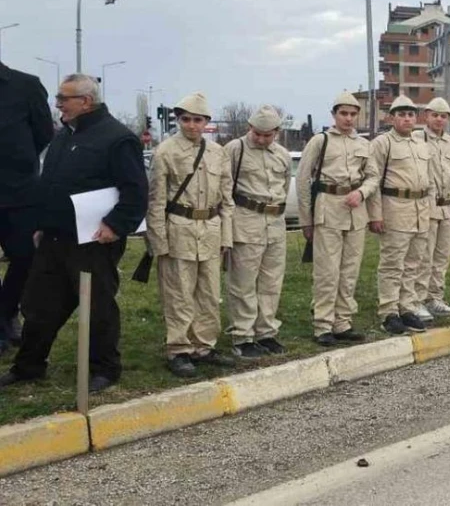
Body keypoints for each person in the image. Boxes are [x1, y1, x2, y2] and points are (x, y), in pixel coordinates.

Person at [0, 74, 145, 392]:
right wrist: (41, 222)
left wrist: (115, 226)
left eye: (63, 98)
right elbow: (50, 183)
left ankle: (104, 369)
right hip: (54, 238)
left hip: (93, 241)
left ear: (85, 101)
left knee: (97, 308)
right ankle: (29, 367)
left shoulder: (117, 139)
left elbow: (135, 192)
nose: (57, 104)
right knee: (37, 305)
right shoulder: (64, 136)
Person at [148, 92, 236, 377]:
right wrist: (158, 241)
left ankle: (204, 345)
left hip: (210, 228)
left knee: (209, 293)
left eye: (197, 120)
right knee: (179, 294)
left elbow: (227, 199)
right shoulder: (165, 152)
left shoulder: (218, 152)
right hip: (179, 229)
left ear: (206, 122)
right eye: (185, 119)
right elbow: (157, 201)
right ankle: (178, 348)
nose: (191, 125)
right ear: (178, 120)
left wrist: (226, 237)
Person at [296, 91, 373, 347]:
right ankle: (322, 324)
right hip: (327, 209)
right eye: (343, 113)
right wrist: (306, 220)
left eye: (352, 114)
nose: (348, 119)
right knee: (327, 272)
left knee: (349, 270)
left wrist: (361, 193)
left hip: (355, 212)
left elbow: (373, 177)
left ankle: (342, 322)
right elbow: (303, 180)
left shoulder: (363, 144)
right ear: (334, 115)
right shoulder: (320, 141)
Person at [225, 105, 292, 358]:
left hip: (274, 223)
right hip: (246, 220)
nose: (262, 139)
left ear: (276, 131)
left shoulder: (282, 154)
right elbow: (225, 186)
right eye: (258, 134)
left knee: (271, 281)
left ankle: (266, 332)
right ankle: (242, 335)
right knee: (243, 283)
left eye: (268, 135)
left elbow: (284, 186)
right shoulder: (235, 149)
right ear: (249, 128)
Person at [362, 95, 432, 335]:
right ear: (392, 118)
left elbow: (428, 180)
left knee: (413, 263)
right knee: (392, 264)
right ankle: (389, 311)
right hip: (395, 208)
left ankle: (406, 307)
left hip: (420, 210)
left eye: (410, 114)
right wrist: (376, 215)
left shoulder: (420, 143)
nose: (407, 118)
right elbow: (374, 180)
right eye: (401, 114)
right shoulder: (382, 143)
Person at [0, 61, 54, 355]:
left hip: (19, 194)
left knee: (26, 259)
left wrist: (16, 160)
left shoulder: (26, 86)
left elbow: (44, 133)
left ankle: (6, 313)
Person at [413, 98, 450, 319]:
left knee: (442, 257)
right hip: (427, 205)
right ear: (426, 116)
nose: (439, 120)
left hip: (447, 206)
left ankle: (435, 298)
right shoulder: (417, 138)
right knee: (424, 256)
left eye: (443, 116)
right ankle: (417, 299)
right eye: (435, 115)